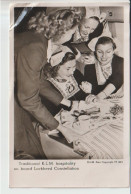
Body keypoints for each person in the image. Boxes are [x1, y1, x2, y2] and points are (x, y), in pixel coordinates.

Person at [14, 7, 86, 159]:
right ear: (62, 32)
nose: (73, 36)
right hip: (11, 100)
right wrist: (62, 129)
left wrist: (69, 104)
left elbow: (38, 81)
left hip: (16, 95)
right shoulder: (35, 48)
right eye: (72, 32)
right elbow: (28, 100)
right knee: (28, 151)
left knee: (32, 143)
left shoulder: (38, 38)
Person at [41, 47, 92, 115]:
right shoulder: (48, 86)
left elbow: (85, 98)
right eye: (68, 69)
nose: (72, 71)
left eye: (74, 66)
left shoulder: (76, 73)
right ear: (55, 68)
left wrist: (89, 94)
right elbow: (52, 112)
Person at [84, 36, 124, 103]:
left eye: (108, 52)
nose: (104, 56)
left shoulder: (121, 62)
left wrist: (99, 96)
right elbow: (91, 91)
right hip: (102, 102)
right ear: (95, 52)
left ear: (113, 51)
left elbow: (117, 80)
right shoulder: (89, 68)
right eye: (100, 52)